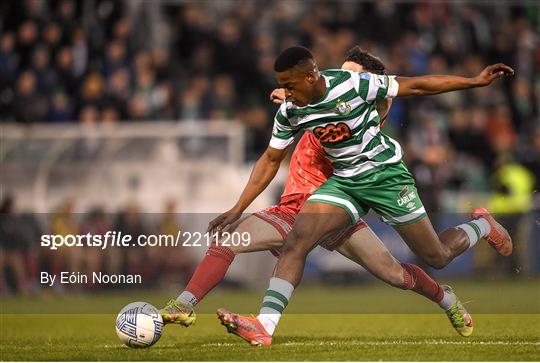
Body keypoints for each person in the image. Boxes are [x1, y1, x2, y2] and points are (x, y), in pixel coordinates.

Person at [159, 47, 473, 340]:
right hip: (301, 208)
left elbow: (378, 102)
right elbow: (274, 153)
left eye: (351, 74)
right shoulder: (303, 108)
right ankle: (190, 306)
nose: (339, 75)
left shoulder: (364, 110)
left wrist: (295, 95)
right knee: (231, 239)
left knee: (398, 273)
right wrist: (293, 94)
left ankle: (446, 295)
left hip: (342, 206)